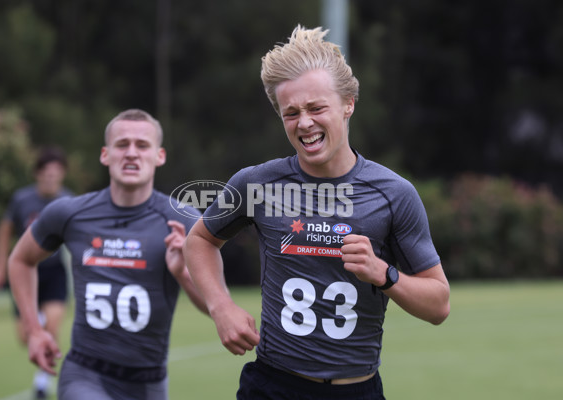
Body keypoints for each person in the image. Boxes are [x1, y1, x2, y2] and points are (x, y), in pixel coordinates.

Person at [184, 25, 450, 400]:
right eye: (291, 113)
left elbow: (439, 304)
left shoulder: (394, 194)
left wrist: (384, 274)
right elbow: (199, 240)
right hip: (272, 386)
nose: (304, 123)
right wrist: (220, 306)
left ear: (348, 104)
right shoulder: (256, 183)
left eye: (316, 107)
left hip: (357, 390)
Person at [8, 109, 207, 400]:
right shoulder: (70, 213)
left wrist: (183, 275)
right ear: (105, 154)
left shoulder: (184, 220)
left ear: (159, 156)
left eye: (142, 145)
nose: (131, 153)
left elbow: (216, 306)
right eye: (121, 144)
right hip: (85, 374)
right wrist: (34, 330)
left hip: (149, 382)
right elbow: (21, 259)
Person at [0, 146, 72, 399]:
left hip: (55, 272)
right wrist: (0, 265)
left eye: (56, 173)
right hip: (24, 272)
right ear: (37, 174)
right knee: (26, 337)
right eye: (46, 172)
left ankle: (42, 383)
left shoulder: (69, 201)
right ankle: (37, 326)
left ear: (63, 175)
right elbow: (4, 231)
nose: (50, 177)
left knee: (53, 325)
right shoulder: (22, 199)